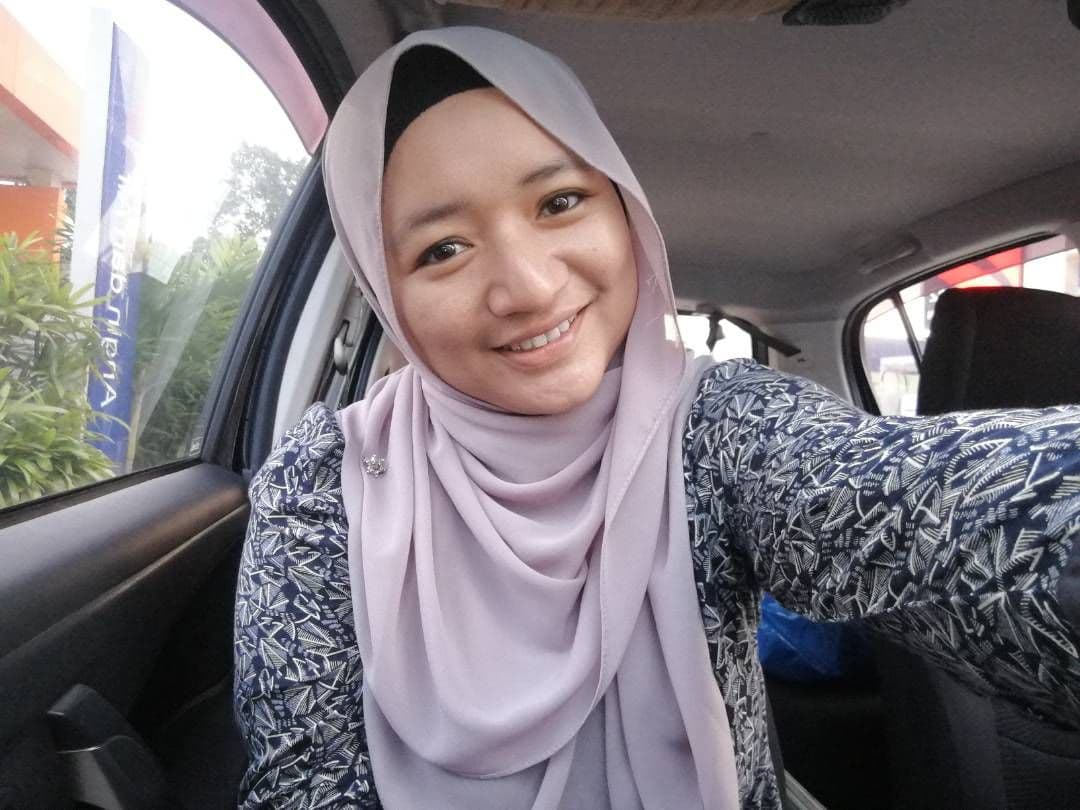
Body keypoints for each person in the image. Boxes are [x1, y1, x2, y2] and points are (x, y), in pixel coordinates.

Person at [233, 27, 1080, 810]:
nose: (528, 286)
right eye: (442, 249)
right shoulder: (323, 487)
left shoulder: (713, 429)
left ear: (623, 208)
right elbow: (304, 785)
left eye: (559, 202)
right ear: (386, 293)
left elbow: (904, 503)